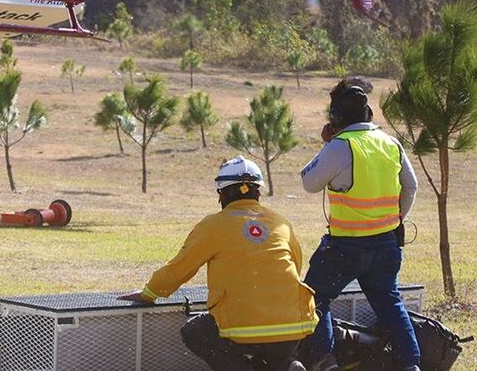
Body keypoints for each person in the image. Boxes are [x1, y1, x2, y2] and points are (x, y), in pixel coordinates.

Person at [118, 156, 316, 371]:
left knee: (194, 332)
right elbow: (296, 265)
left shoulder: (213, 225)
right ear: (258, 192)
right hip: (293, 329)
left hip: (242, 331)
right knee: (272, 352)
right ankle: (286, 365)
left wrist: (148, 294)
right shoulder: (280, 222)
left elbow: (179, 268)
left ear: (221, 194)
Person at [300, 79, 421, 371]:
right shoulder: (390, 143)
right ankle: (411, 365)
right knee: (390, 304)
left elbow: (309, 182)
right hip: (386, 244)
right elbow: (411, 186)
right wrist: (396, 219)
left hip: (345, 246)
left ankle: (326, 362)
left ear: (335, 117)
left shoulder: (340, 145)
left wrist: (327, 144)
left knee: (313, 298)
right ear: (369, 113)